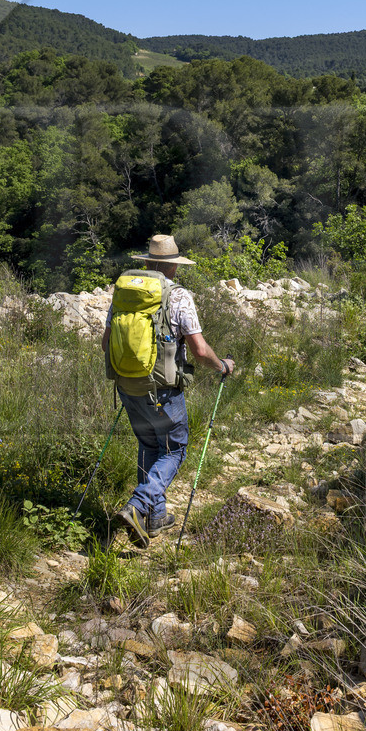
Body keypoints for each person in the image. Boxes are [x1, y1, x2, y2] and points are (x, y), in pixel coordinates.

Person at [102, 235, 233, 549]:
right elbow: (199, 350)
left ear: (147, 262)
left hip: (127, 384)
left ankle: (155, 516)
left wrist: (131, 371)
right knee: (175, 450)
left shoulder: (124, 293)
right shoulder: (178, 296)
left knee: (149, 444)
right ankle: (138, 505)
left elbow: (106, 342)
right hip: (163, 389)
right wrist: (222, 366)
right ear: (171, 266)